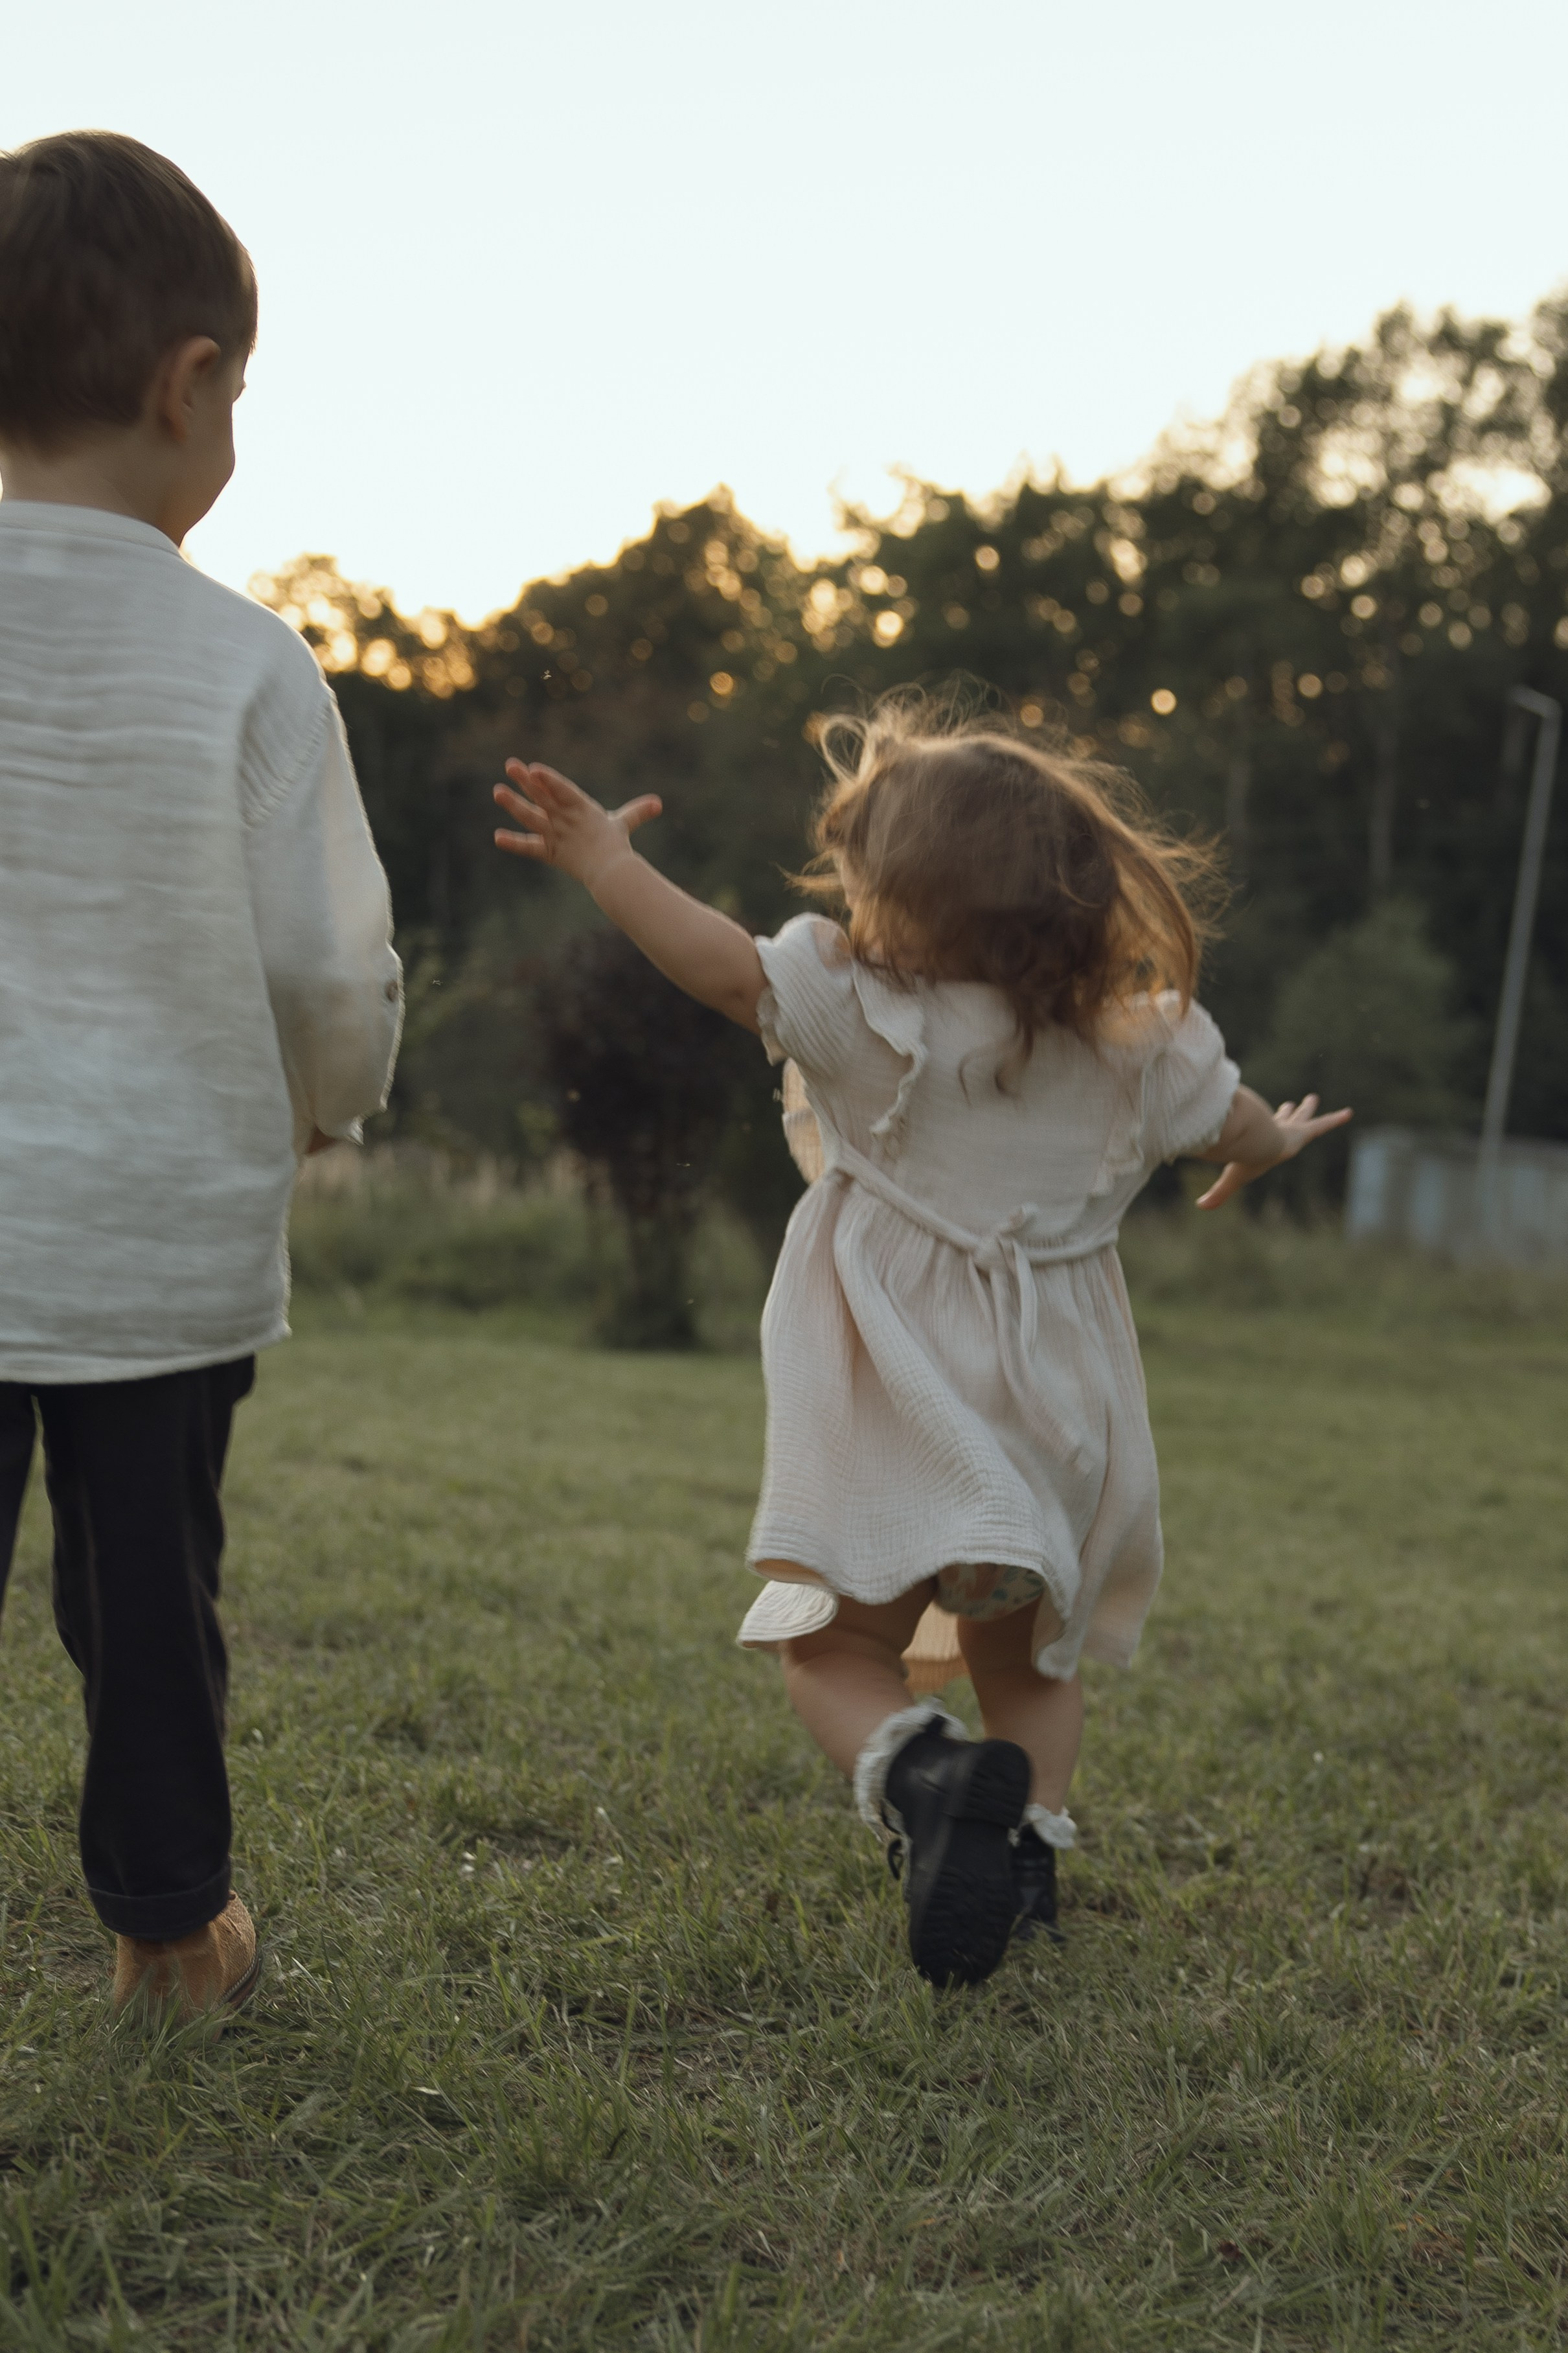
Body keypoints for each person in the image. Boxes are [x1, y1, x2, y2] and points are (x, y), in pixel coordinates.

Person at [492, 698, 1347, 1988]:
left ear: (899, 892)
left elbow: (723, 966)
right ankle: (1028, 1862)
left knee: (831, 1649)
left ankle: (926, 1774)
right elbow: (1233, 1123)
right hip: (1058, 1426)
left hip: (904, 1416)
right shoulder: (1133, 1048)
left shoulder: (861, 1019)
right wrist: (1271, 1143)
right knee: (1027, 1660)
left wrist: (607, 860)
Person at [0, 132, 402, 2019]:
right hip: (151, 1249)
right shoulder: (247, 665)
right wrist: (334, 1099)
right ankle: (172, 1932)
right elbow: (326, 960)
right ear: (191, 385)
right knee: (145, 1602)